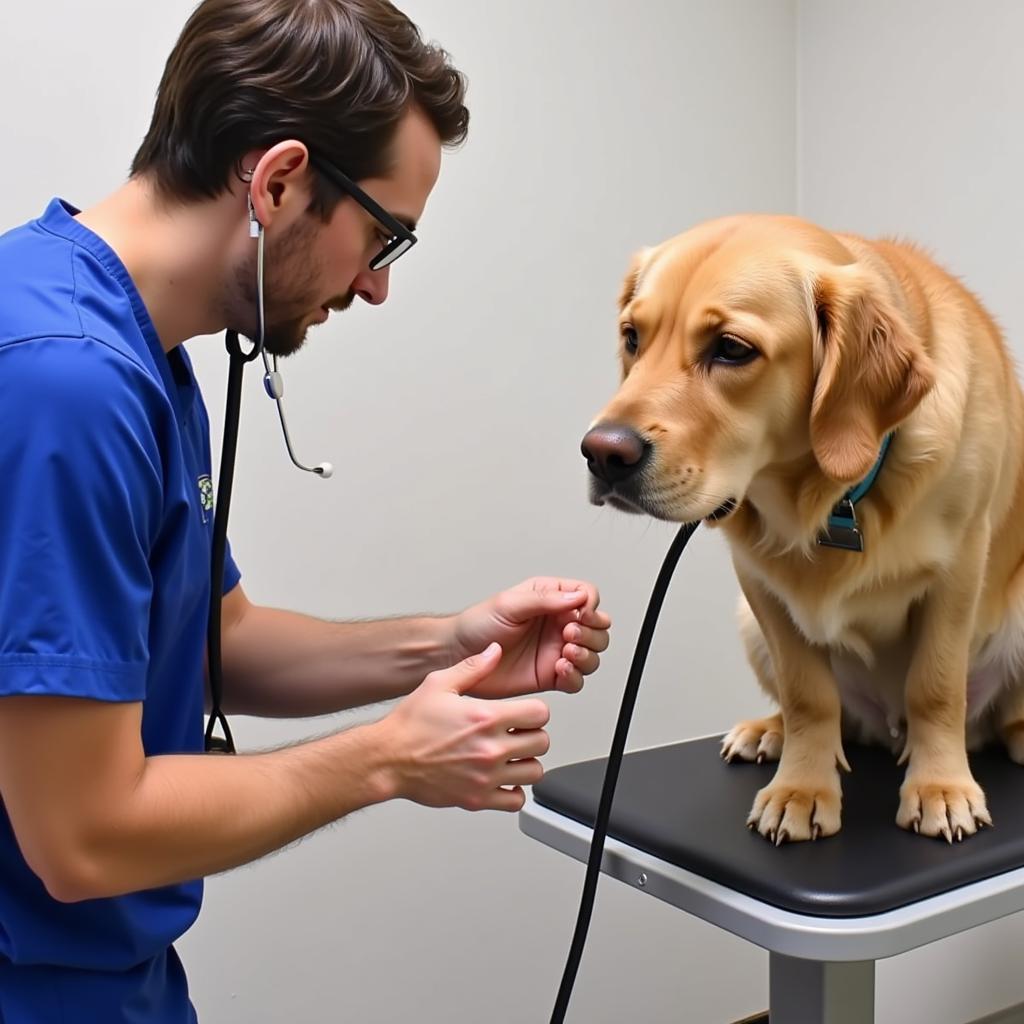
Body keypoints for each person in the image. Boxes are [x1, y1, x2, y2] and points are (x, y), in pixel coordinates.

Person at [0, 1, 611, 1021]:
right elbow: (82, 833)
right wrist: (386, 758)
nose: (374, 286)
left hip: (111, 976)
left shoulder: (130, 348)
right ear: (279, 181)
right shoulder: (70, 384)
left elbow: (215, 638)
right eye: (383, 236)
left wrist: (445, 644)